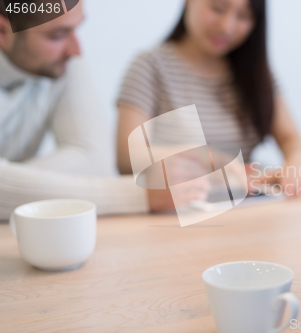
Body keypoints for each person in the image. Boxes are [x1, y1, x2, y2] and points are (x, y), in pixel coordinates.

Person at [0, 1, 193, 220]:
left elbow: (95, 161)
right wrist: (139, 194)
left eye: (76, 28)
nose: (76, 50)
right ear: (3, 31)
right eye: (57, 35)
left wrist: (9, 181)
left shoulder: (62, 62)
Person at [116, 0, 301, 198]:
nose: (226, 26)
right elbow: (127, 158)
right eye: (217, 8)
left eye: (243, 16)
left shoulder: (255, 75)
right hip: (180, 211)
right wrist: (210, 159)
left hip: (247, 208)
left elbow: (293, 141)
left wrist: (295, 166)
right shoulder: (150, 67)